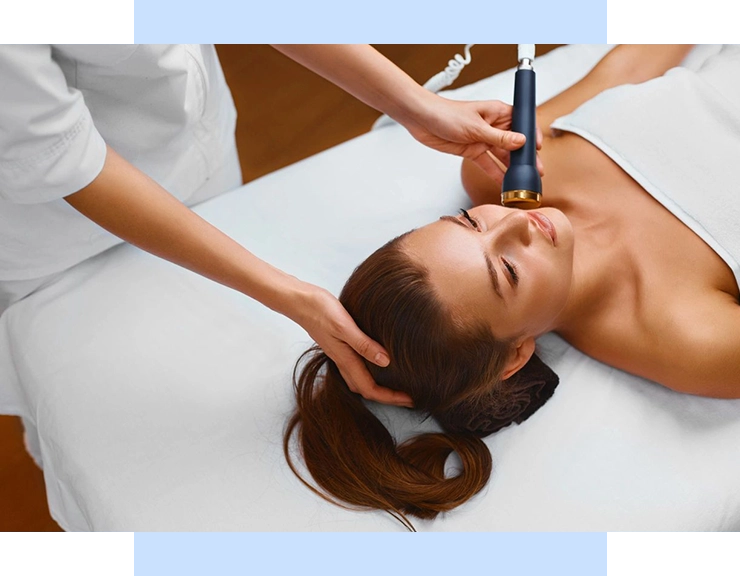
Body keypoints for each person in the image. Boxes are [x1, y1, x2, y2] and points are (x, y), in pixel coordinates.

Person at [284, 43, 740, 529]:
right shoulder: (691, 339)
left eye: (468, 224)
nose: (518, 224)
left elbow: (628, 66)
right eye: (507, 271)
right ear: (515, 355)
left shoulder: (494, 175)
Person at [0, 44, 541, 409]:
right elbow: (57, 156)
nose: (520, 224)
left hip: (188, 148)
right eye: (469, 222)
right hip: (48, 225)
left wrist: (417, 104)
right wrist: (282, 292)